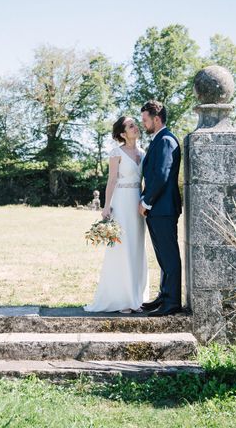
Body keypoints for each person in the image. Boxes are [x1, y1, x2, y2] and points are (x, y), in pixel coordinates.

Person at [84, 116, 149, 313]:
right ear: (122, 133)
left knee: (137, 247)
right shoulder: (116, 153)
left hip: (138, 204)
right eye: (130, 126)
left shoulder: (143, 153)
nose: (135, 127)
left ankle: (137, 297)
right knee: (122, 248)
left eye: (135, 124)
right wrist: (106, 207)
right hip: (121, 202)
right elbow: (111, 181)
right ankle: (122, 298)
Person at [138, 100, 183, 317]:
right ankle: (164, 295)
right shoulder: (158, 139)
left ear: (157, 119)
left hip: (163, 208)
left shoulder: (166, 140)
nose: (143, 124)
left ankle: (172, 302)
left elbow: (162, 175)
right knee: (163, 256)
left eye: (145, 120)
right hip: (159, 209)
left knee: (169, 255)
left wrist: (146, 202)